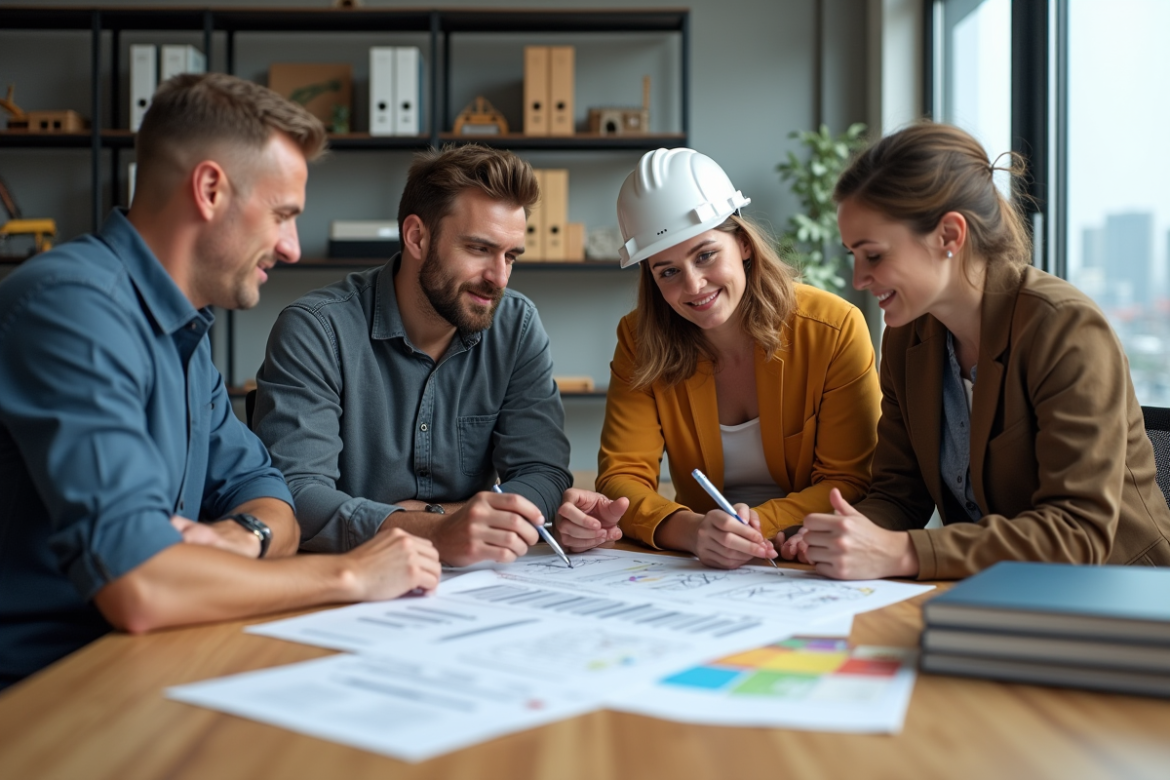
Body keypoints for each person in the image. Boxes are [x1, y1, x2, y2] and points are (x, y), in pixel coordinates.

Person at [0, 73, 441, 689]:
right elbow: (143, 586)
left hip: (147, 663)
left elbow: (270, 497)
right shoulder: (72, 308)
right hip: (45, 691)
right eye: (283, 215)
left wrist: (244, 536)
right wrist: (353, 575)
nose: (291, 247)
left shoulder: (182, 330)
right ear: (209, 189)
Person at [780, 122, 1170, 580]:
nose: (859, 280)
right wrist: (837, 535)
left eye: (874, 255)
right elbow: (898, 494)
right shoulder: (907, 339)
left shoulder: (1065, 328)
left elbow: (1078, 533)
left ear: (949, 235)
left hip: (1120, 597)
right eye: (853, 256)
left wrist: (903, 552)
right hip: (990, 593)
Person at [253, 144, 626, 566]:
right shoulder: (316, 330)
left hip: (480, 585)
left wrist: (441, 519)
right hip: (348, 580)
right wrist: (439, 528)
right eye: (479, 249)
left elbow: (543, 474)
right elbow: (296, 495)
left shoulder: (516, 326)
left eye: (510, 256)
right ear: (417, 237)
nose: (498, 278)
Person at [563, 148, 881, 568]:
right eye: (668, 271)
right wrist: (694, 532)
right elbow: (623, 477)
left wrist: (754, 525)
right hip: (699, 562)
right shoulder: (639, 339)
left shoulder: (834, 328)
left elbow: (850, 479)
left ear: (744, 244)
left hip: (806, 556)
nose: (694, 285)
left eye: (705, 255)